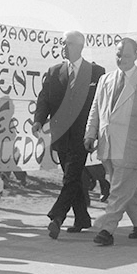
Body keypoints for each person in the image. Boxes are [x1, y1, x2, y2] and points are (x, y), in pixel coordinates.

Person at [86, 38, 137, 246]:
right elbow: (96, 109)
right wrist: (90, 134)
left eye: (126, 55)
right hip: (107, 143)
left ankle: (106, 230)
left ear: (136, 57)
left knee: (118, 189)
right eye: (118, 55)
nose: (121, 59)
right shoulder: (105, 79)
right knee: (123, 185)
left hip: (131, 145)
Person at [34, 30, 105, 238]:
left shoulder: (96, 72)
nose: (62, 47)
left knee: (71, 176)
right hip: (61, 134)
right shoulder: (55, 71)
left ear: (79, 46)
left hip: (83, 136)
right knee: (71, 177)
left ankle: (57, 216)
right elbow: (44, 98)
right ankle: (82, 217)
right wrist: (39, 119)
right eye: (62, 44)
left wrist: (96, 131)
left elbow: (100, 103)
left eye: (66, 43)